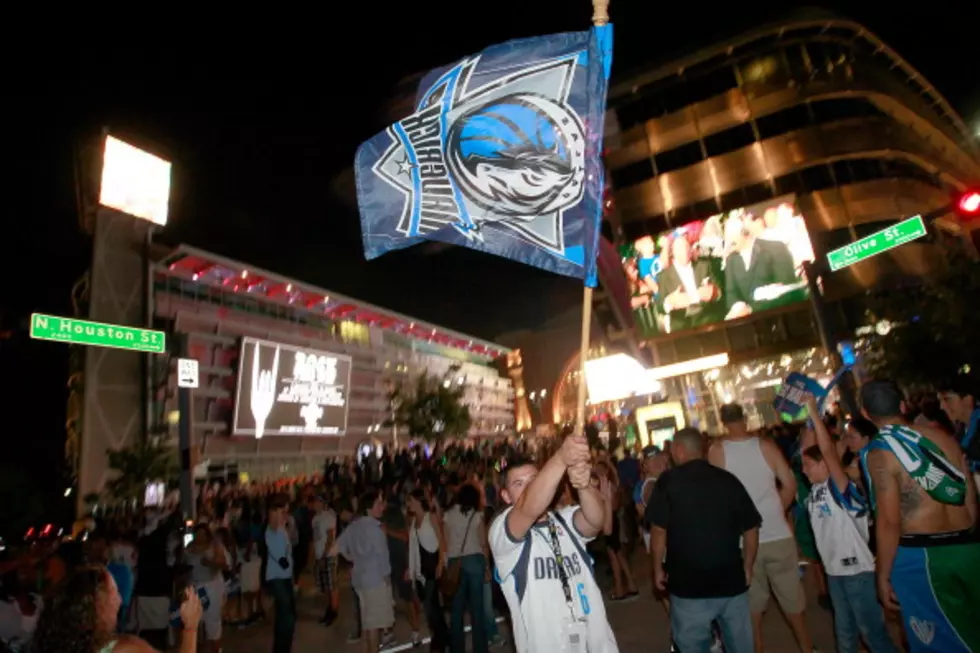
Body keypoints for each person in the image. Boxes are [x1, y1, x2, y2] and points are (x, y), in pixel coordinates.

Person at [860, 380, 980, 652]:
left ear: (865, 414)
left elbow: (889, 521)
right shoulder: (943, 437)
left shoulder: (879, 453)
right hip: (968, 546)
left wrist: (883, 574)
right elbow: (968, 491)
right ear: (903, 405)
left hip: (924, 557)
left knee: (938, 642)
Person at [489, 435, 617, 653]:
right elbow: (529, 506)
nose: (529, 487)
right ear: (506, 496)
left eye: (534, 479)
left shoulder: (565, 519)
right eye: (519, 484)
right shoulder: (501, 532)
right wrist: (560, 458)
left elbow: (596, 521)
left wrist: (583, 484)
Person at [709, 403, 815, 653]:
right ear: (744, 419)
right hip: (777, 533)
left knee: (753, 607)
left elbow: (716, 497)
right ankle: (806, 648)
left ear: (723, 422)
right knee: (793, 603)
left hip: (743, 542)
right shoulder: (766, 446)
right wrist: (776, 509)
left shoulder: (717, 451)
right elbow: (790, 483)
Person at [647, 427, 760, 653]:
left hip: (689, 587)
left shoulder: (668, 482)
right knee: (741, 646)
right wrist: (747, 565)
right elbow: (751, 526)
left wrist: (657, 568)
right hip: (731, 583)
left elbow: (658, 531)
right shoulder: (728, 480)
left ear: (678, 450)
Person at [802, 396, 897, 653]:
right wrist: (809, 424)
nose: (804, 470)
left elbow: (827, 451)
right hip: (835, 574)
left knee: (873, 636)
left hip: (857, 573)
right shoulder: (814, 493)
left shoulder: (839, 487)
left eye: (809, 465)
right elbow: (810, 447)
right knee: (844, 636)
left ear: (825, 464)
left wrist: (813, 411)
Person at [33, 565, 202, 653]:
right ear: (97, 606)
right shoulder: (125, 648)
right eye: (114, 594)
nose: (120, 600)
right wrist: (190, 627)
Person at [331, 488, 394, 653]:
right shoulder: (376, 530)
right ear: (369, 507)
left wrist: (352, 557)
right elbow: (384, 560)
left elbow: (335, 548)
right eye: (378, 504)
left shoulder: (353, 526)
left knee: (367, 624)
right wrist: (387, 582)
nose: (382, 506)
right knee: (374, 626)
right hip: (376, 581)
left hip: (359, 580)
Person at [443, 484, 492, 653]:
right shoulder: (477, 515)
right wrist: (486, 566)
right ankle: (480, 649)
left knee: (456, 612)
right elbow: (483, 542)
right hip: (475, 561)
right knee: (477, 609)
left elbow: (446, 543)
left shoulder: (448, 515)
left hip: (455, 563)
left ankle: (457, 648)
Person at [407, 489, 450, 652]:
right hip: (422, 569)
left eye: (410, 500)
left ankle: (438, 642)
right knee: (432, 606)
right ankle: (444, 637)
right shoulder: (414, 521)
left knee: (431, 607)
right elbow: (414, 547)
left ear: (418, 501)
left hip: (433, 567)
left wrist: (440, 563)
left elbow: (441, 541)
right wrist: (410, 568)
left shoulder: (429, 517)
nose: (408, 504)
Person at [184, 525, 227, 653]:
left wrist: (211, 563)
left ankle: (216, 649)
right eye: (198, 534)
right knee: (197, 621)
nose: (200, 537)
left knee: (212, 621)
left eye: (203, 534)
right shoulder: (189, 547)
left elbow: (224, 564)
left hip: (211, 586)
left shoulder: (215, 545)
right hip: (195, 586)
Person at [263, 495, 296, 653]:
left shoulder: (282, 528)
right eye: (283, 511)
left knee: (286, 616)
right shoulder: (272, 529)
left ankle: (282, 648)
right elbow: (279, 554)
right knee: (287, 616)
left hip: (285, 576)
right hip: (277, 577)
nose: (286, 514)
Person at [311, 495, 339, 626]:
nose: (316, 504)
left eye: (318, 502)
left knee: (332, 584)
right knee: (326, 585)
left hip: (329, 555)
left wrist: (323, 555)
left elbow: (330, 537)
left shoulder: (328, 516)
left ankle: (333, 611)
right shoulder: (315, 519)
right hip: (320, 556)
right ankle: (330, 608)